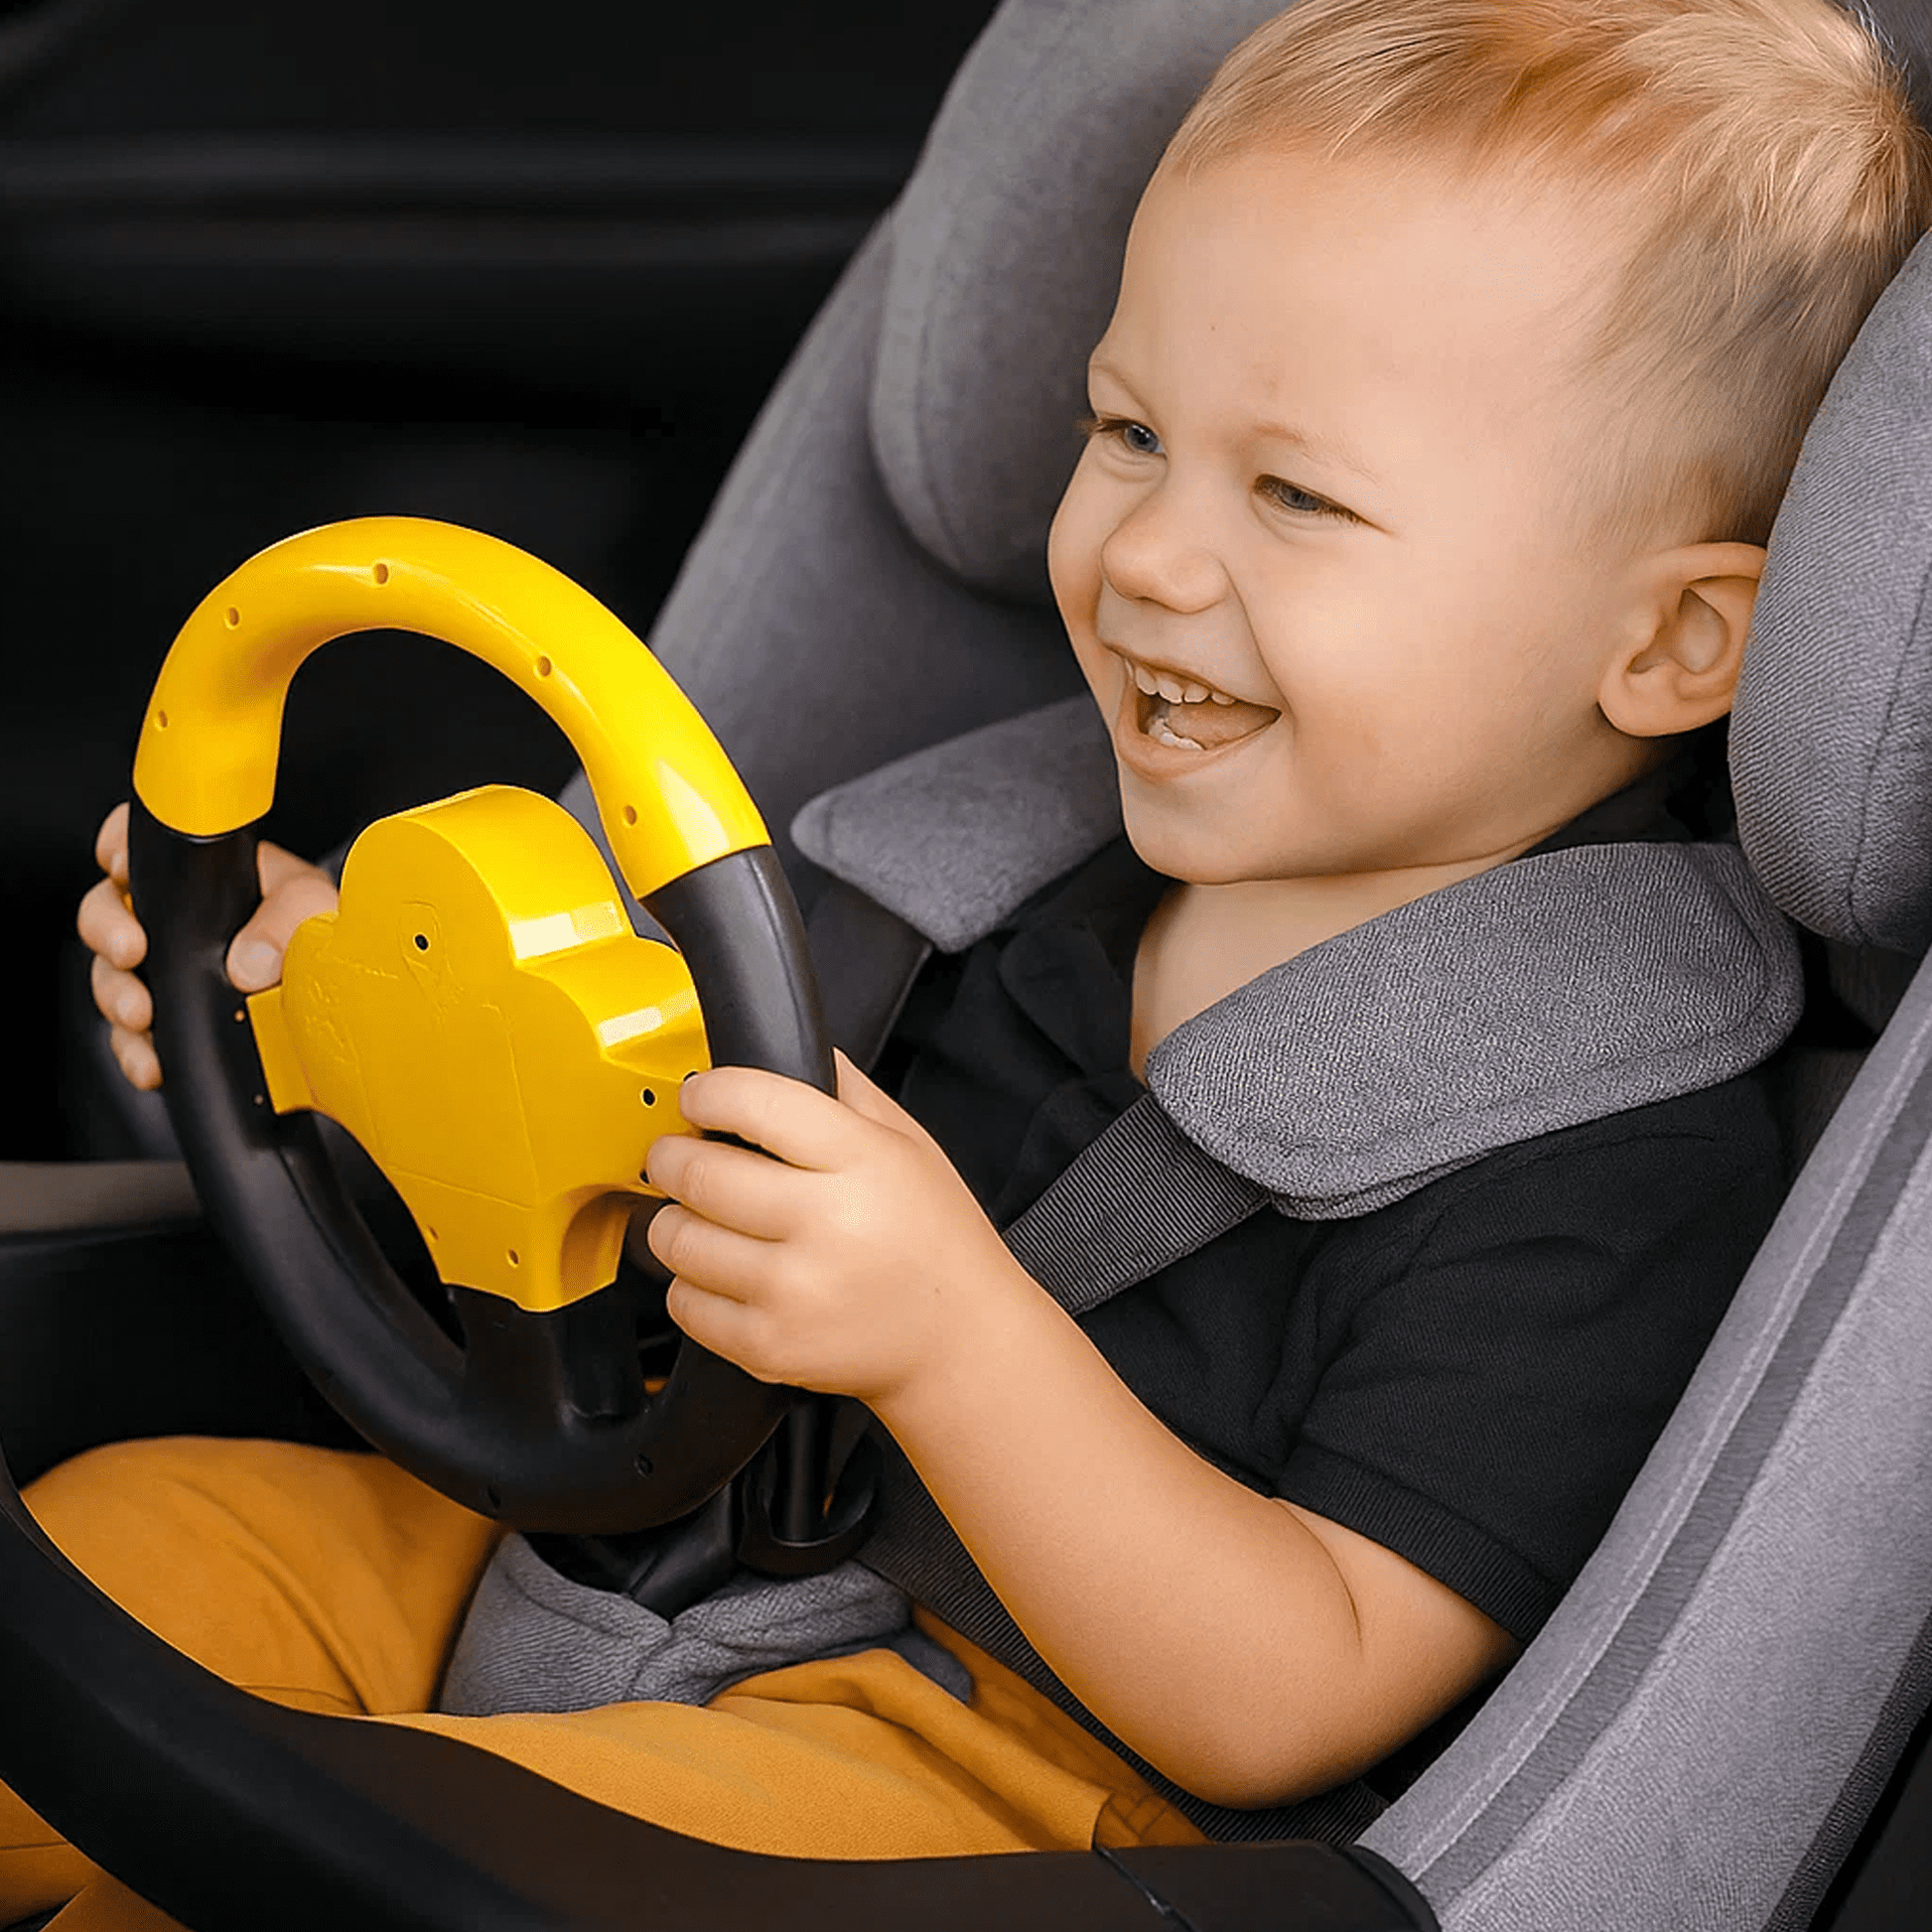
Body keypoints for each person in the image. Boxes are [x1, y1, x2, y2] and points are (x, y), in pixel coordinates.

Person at [35, 0, 1932, 1923]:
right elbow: (607, 1153)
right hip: (605, 1527)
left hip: (982, 1782)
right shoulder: (976, 863)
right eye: (1129, 433)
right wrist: (341, 1020)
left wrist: (953, 1338)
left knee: (230, 1866)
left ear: (1668, 647)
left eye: (1295, 494)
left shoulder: (1607, 1161)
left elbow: (1292, 1684)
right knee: (99, 1572)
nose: (1146, 554)